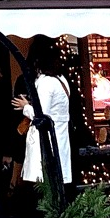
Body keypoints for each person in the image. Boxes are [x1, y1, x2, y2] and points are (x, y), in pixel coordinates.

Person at [12, 36, 74, 208]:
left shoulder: (46, 83)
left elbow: (42, 116)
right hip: (60, 139)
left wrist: (25, 106)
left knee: (42, 185)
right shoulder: (62, 80)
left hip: (45, 144)